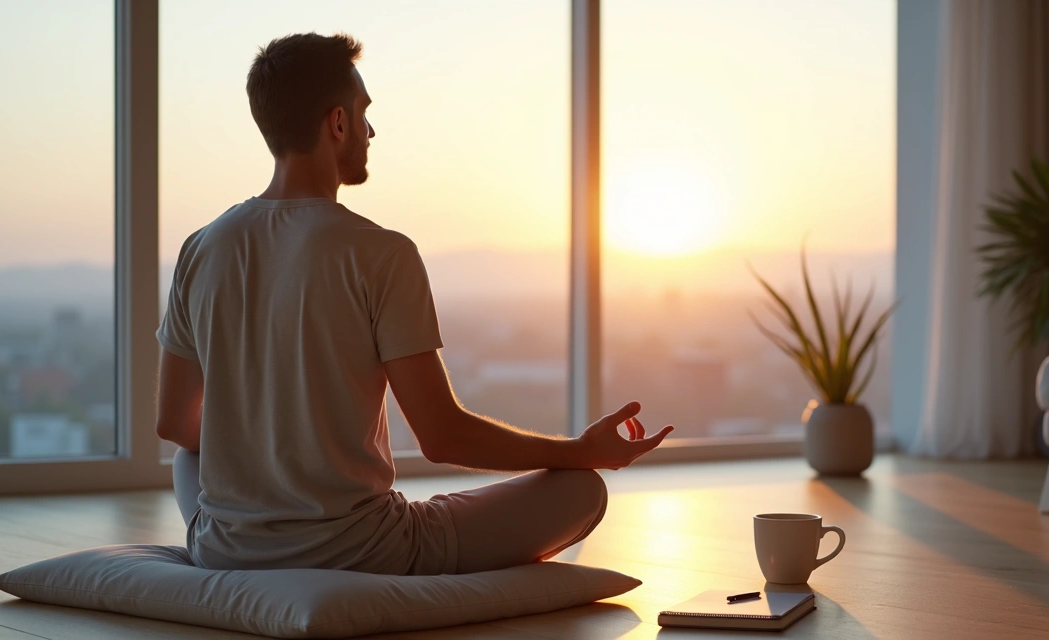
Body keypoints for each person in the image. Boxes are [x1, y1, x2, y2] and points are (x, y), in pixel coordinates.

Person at [154, 32, 674, 576]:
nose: (371, 130)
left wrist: (260, 455)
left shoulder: (201, 247)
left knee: (193, 458)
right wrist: (580, 451)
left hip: (227, 548)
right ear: (337, 124)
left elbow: (175, 425)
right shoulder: (382, 253)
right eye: (363, 113)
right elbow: (442, 437)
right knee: (582, 492)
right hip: (361, 550)